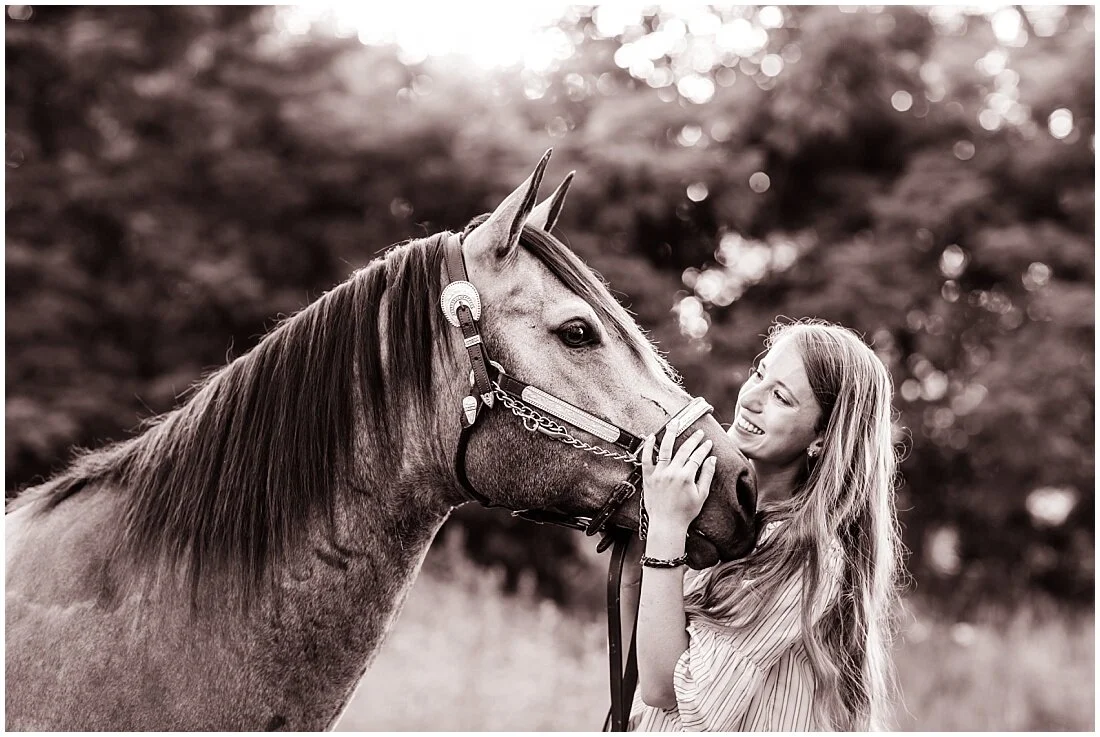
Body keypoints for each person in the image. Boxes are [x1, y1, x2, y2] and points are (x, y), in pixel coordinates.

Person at [622, 319, 904, 731]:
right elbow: (640, 666)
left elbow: (667, 691)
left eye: (781, 397)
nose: (750, 398)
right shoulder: (714, 514)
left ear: (822, 438)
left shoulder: (801, 553)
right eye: (759, 374)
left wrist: (665, 527)